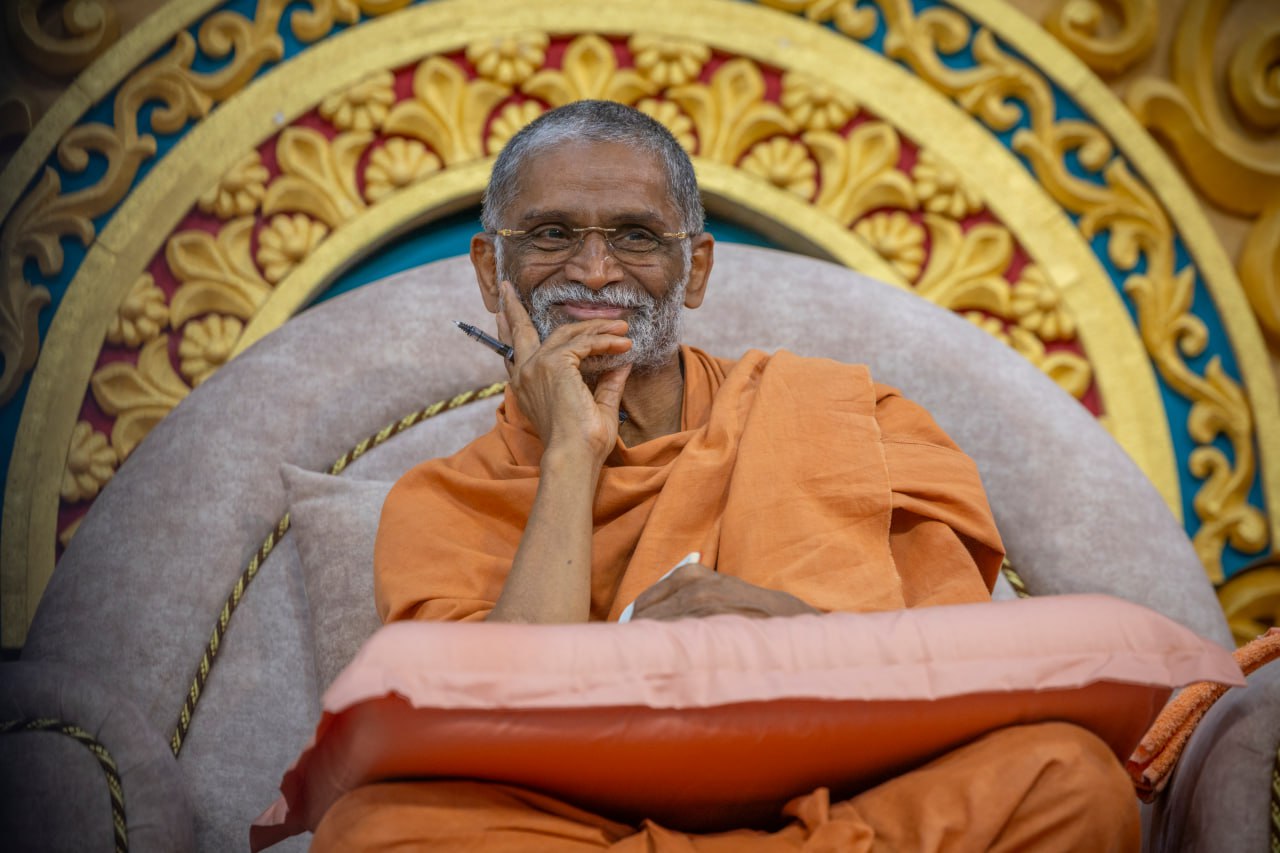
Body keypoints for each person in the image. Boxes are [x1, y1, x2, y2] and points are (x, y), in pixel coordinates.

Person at [317, 100, 1140, 851]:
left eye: (637, 236)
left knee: (1068, 777)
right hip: (581, 831)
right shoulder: (439, 503)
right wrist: (570, 456)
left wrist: (794, 632)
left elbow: (953, 681)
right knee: (372, 833)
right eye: (552, 234)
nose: (595, 271)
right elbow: (495, 726)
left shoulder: (852, 417)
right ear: (489, 269)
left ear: (697, 268)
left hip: (843, 816)